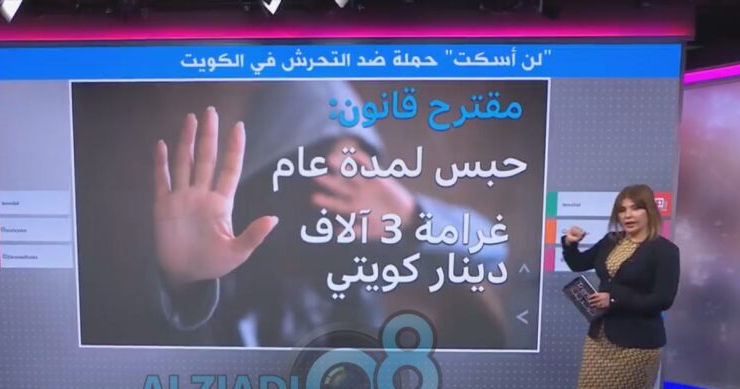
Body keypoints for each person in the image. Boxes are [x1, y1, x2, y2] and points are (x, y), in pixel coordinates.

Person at [148, 80, 508, 348]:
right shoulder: (227, 252)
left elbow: (492, 251)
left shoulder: (375, 256)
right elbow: (495, 246)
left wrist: (414, 220)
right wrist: (187, 285)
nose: (332, 199)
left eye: (354, 175)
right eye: (316, 170)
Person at [543, 184, 680, 389]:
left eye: (635, 208)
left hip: (638, 340)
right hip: (601, 335)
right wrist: (569, 244)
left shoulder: (665, 251)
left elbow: (663, 299)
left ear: (649, 211)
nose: (628, 215)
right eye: (622, 209)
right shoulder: (611, 241)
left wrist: (614, 300)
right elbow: (579, 264)